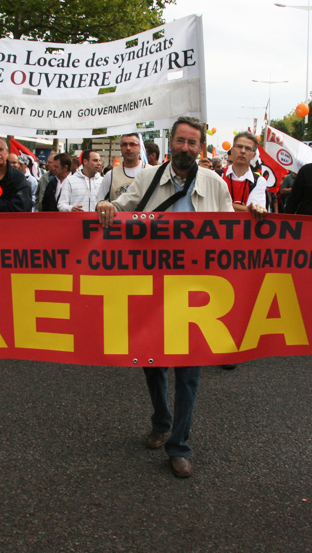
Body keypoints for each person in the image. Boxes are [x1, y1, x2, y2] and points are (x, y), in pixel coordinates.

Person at [97, 116, 262, 478]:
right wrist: (109, 208)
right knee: (152, 363)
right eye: (181, 140)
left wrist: (255, 217)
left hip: (198, 293)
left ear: (200, 148)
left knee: (189, 372)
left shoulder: (215, 184)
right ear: (170, 142)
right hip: (153, 290)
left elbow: (230, 235)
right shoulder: (148, 177)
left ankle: (180, 445)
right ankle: (161, 420)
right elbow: (124, 207)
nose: (186, 147)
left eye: (193, 143)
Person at [221, 131, 269, 213]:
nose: (243, 151)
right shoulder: (218, 175)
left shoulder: (259, 181)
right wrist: (245, 208)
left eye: (248, 148)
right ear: (232, 150)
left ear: (253, 155)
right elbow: (212, 204)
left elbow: (253, 212)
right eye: (239, 147)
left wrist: (224, 205)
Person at [98, 134, 147, 202]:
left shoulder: (151, 172)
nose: (128, 148)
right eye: (124, 144)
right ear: (120, 147)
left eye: (132, 144)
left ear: (139, 147)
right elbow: (100, 201)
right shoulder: (111, 175)